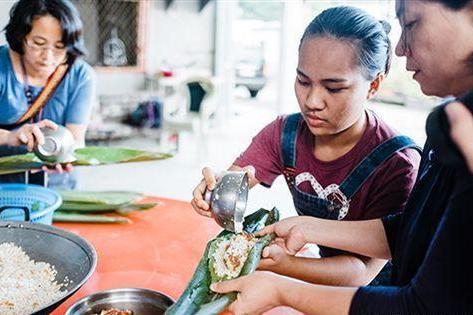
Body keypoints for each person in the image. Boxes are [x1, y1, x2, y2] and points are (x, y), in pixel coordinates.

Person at [210, 1, 473, 314]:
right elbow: (406, 231)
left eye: (413, 23)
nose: (401, 49)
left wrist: (284, 286)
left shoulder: (401, 158)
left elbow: (422, 304)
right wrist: (306, 227)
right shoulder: (449, 126)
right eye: (303, 81)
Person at [192, 6, 421, 287]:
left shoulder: (397, 163)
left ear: (373, 85)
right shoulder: (284, 134)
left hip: (381, 292)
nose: (312, 101)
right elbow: (235, 182)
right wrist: (215, 193)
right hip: (323, 273)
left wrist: (287, 264)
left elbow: (360, 273)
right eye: (303, 81)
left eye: (334, 88)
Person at [0, 0, 95, 188]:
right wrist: (11, 137)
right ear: (21, 36)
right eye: (38, 43)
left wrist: (66, 154)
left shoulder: (81, 75)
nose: (48, 57)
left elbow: (76, 138)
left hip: (59, 189)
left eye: (60, 47)